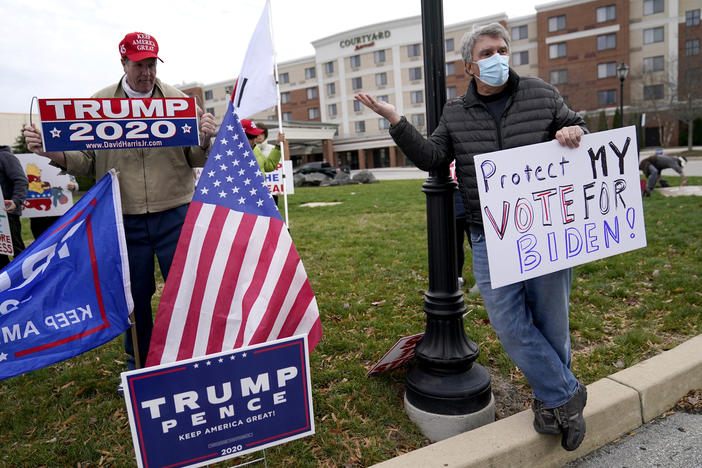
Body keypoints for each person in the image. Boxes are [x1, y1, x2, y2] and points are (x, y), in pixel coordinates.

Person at [356, 22, 589, 451]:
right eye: (487, 52)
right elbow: (432, 155)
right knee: (508, 323)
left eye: (503, 49)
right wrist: (396, 121)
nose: (498, 57)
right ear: (470, 65)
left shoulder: (540, 93)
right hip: (489, 235)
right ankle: (567, 393)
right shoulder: (455, 113)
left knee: (552, 324)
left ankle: (550, 401)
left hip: (544, 229)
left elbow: (578, 132)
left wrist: (573, 132)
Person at [23, 32, 216, 371]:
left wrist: (204, 138)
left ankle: (191, 357)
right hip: (123, 216)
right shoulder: (98, 104)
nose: (147, 73)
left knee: (186, 290)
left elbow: (195, 157)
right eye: (139, 65)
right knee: (134, 295)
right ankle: (139, 363)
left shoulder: (178, 101)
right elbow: (85, 161)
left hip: (175, 210)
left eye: (152, 64)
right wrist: (48, 150)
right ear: (123, 63)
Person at [0, 145, 28, 269]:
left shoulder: (6, 156)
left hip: (6, 214)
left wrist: (16, 201)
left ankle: (26, 280)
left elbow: (21, 180)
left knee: (17, 251)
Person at [253, 121, 283, 205]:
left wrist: (280, 187)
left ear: (265, 135)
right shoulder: (249, 150)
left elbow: (277, 167)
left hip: (272, 189)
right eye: (257, 134)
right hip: (256, 190)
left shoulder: (273, 149)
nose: (259, 136)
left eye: (261, 134)